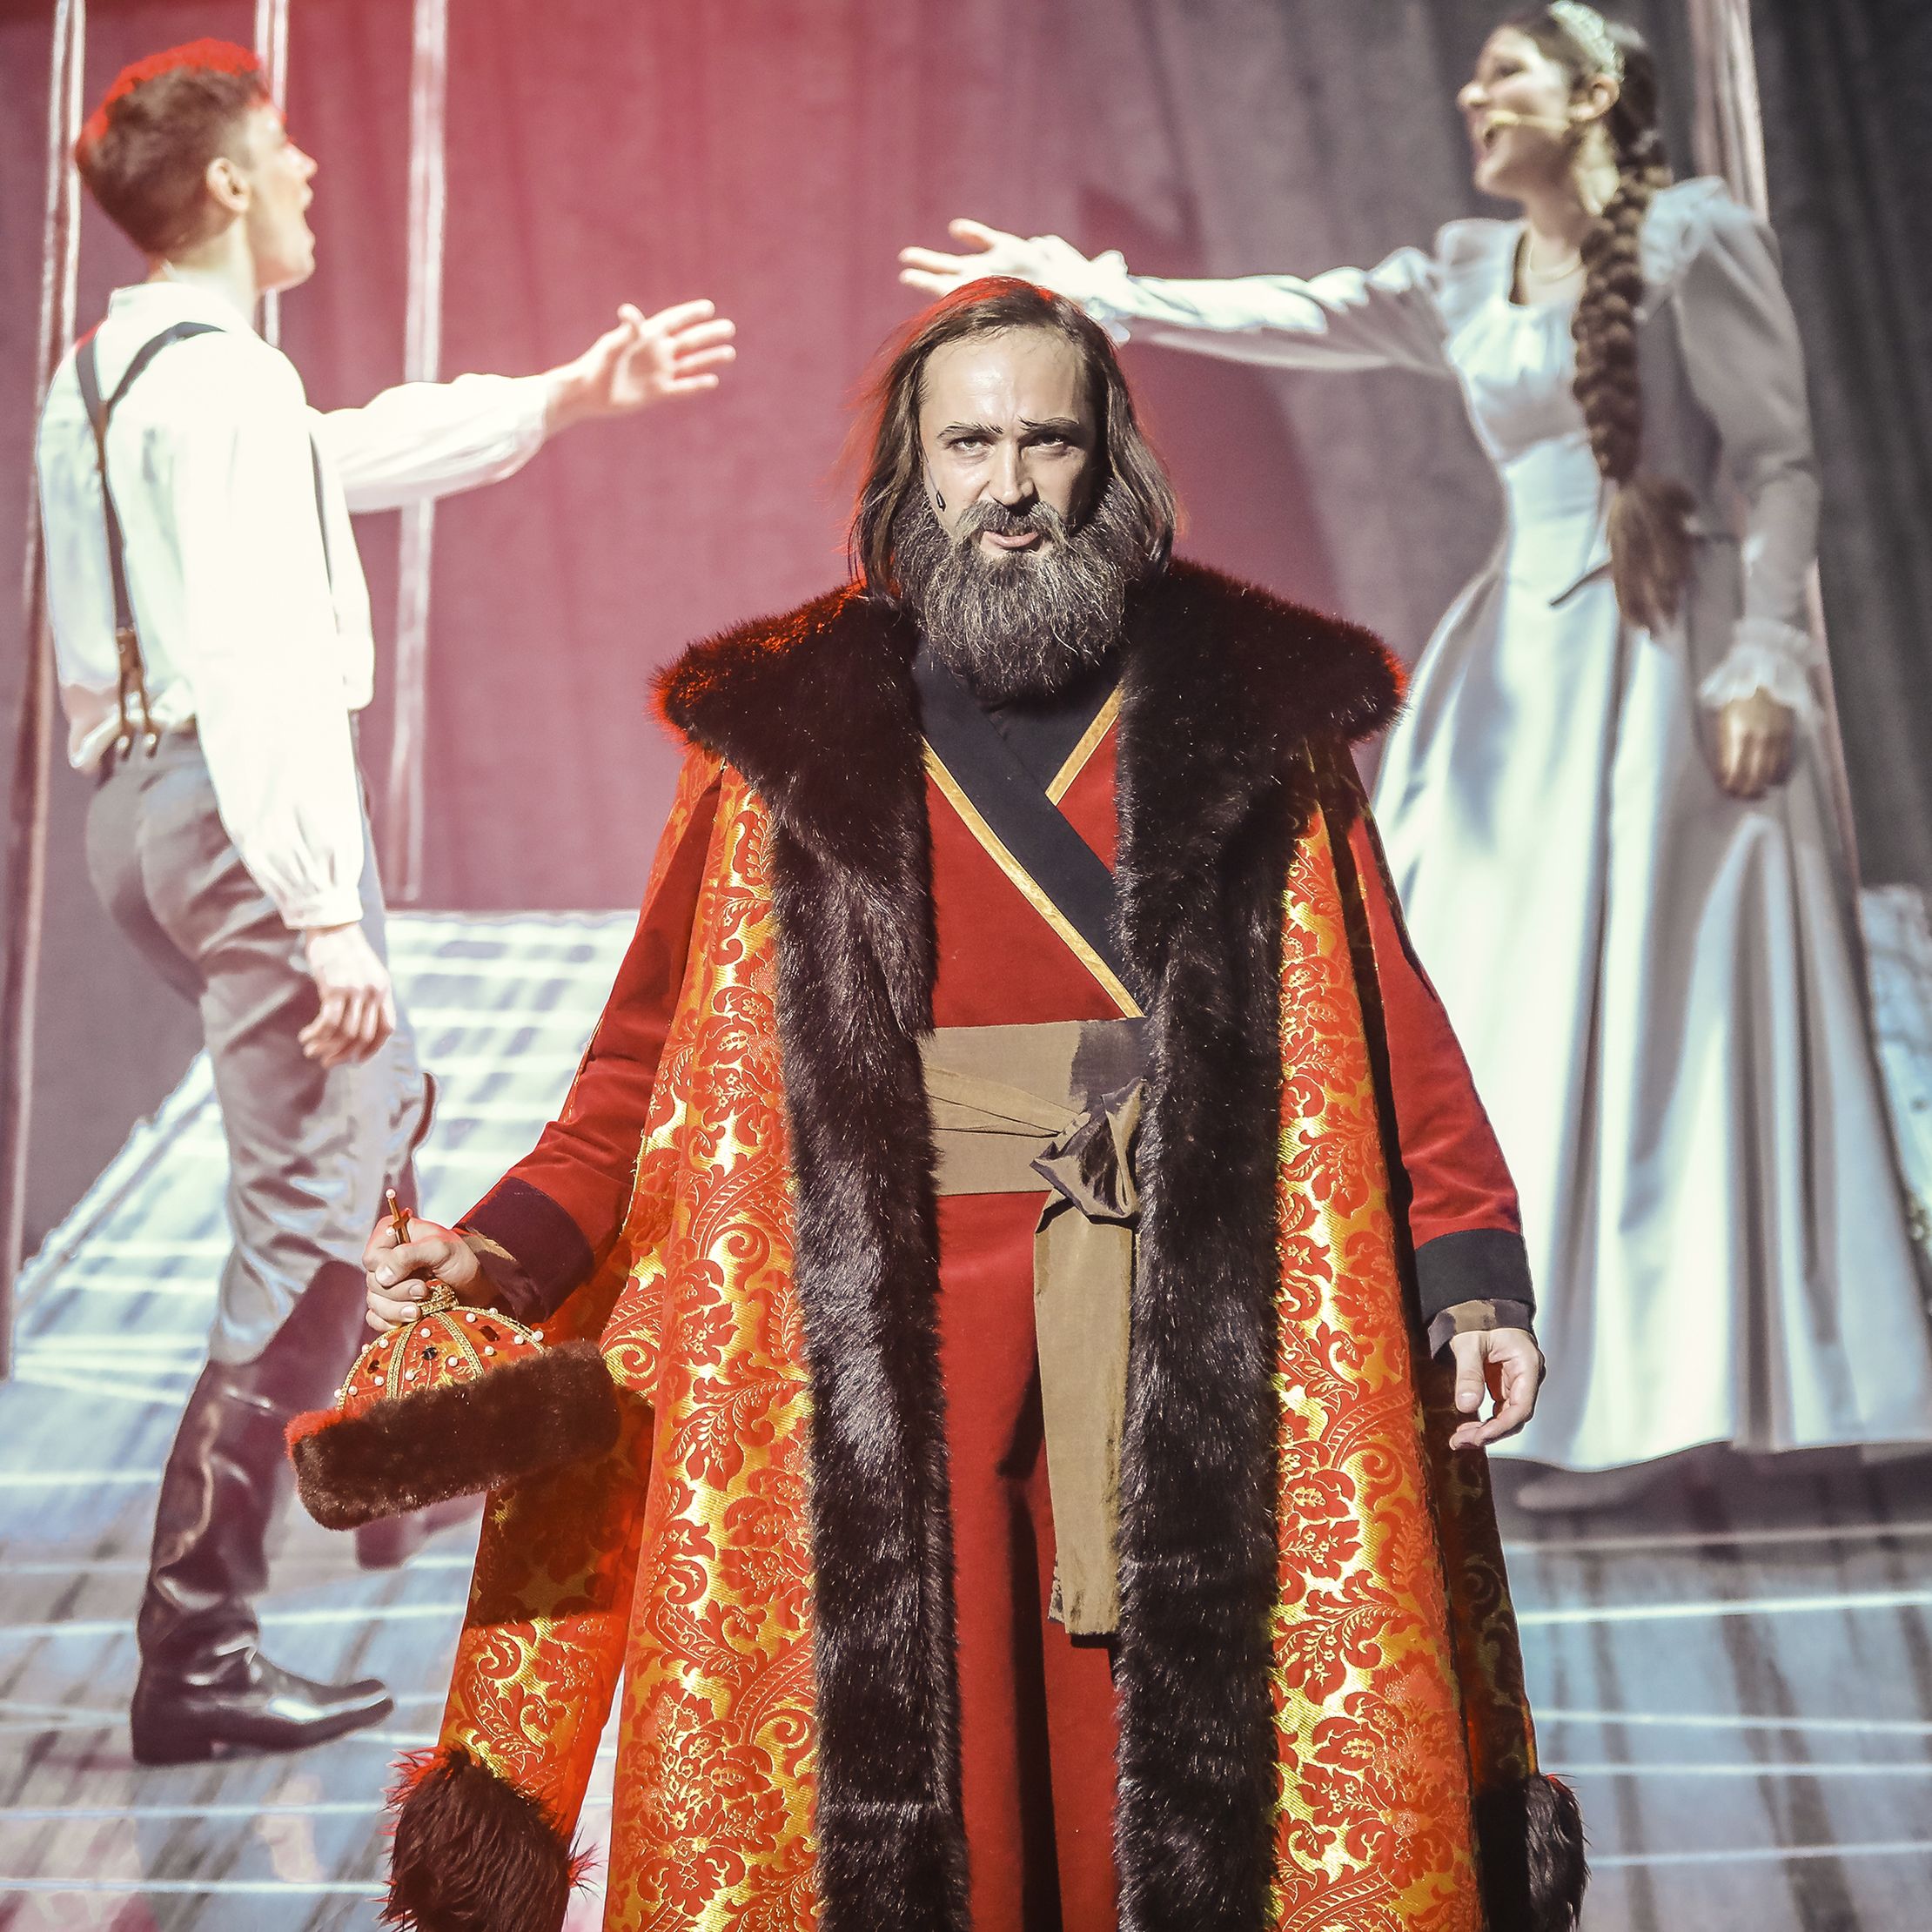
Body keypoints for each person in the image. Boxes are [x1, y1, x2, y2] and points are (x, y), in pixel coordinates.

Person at [359, 282, 1581, 1932]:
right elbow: (637, 1076)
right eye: (970, 444)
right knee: (932, 1783)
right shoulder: (779, 736)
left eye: (1047, 442)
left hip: (1204, 1317)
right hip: (875, 1345)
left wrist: (1475, 1275)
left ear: (1109, 464)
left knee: (1177, 1785)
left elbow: (1388, 1021)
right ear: (911, 469)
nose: (1009, 486)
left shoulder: (1252, 714)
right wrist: (499, 1252)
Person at [899, 3, 1932, 1511]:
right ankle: (1536, 1372)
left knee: (1669, 1010)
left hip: (1671, 651)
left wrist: (1769, 654)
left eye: (1506, 73)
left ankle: (1685, 1387)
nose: (1473, 94)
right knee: (1498, 995)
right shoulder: (1463, 269)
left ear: (1593, 95)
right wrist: (1098, 291)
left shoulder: (1695, 238)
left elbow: (1775, 461)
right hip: (1525, 669)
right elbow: (1303, 312)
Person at [34, 38, 736, 1765]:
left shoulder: (118, 373)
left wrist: (560, 398)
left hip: (142, 812)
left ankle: (397, 1449)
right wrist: (319, 907)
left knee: (379, 1113)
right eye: (282, 154)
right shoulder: (225, 386)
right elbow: (259, 652)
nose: (308, 176)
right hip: (237, 815)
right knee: (301, 1233)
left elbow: (338, 454)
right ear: (224, 185)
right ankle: (199, 1647)